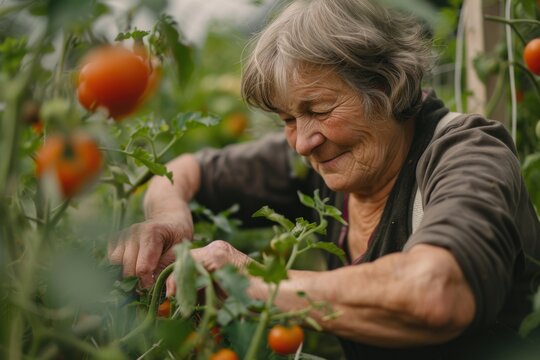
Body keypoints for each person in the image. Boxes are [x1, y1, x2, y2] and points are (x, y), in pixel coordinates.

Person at [108, 0, 540, 358]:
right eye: (287, 119)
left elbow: (435, 292)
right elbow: (184, 171)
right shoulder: (325, 158)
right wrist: (168, 217)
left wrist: (254, 282)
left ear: (388, 86)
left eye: (318, 109)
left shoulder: (466, 153)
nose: (302, 142)